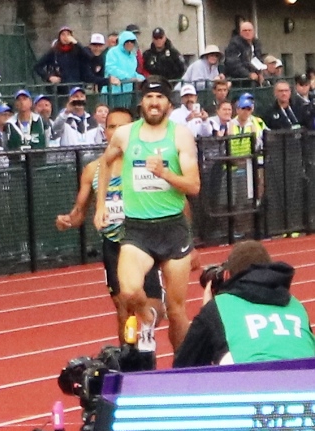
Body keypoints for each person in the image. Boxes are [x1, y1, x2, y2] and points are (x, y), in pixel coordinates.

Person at [94, 76, 201, 353]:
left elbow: (194, 185)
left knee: (177, 310)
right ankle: (147, 316)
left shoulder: (180, 135)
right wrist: (101, 205)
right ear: (142, 102)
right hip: (138, 230)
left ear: (168, 103)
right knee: (128, 291)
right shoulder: (126, 134)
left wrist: (165, 173)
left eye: (160, 98)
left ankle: (184, 367)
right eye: (150, 98)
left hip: (173, 228)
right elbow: (104, 164)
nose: (154, 103)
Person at [56, 107, 164, 344]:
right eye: (111, 127)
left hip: (143, 240)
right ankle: (128, 360)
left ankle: (146, 333)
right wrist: (67, 221)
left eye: (122, 127)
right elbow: (80, 212)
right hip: (113, 243)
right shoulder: (93, 170)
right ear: (105, 132)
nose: (116, 131)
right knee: (123, 308)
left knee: (155, 306)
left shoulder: (144, 164)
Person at [173, 240, 315, 367]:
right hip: (306, 385)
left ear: (229, 275)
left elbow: (184, 367)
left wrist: (207, 311)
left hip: (253, 387)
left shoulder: (221, 307)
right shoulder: (296, 306)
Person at [224, 20, 265, 85]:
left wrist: (260, 73)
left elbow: (259, 59)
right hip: (239, 81)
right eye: (245, 30)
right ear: (240, 32)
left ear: (253, 31)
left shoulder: (256, 43)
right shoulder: (234, 44)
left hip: (254, 80)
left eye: (249, 30)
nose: (247, 32)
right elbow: (233, 63)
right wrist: (248, 74)